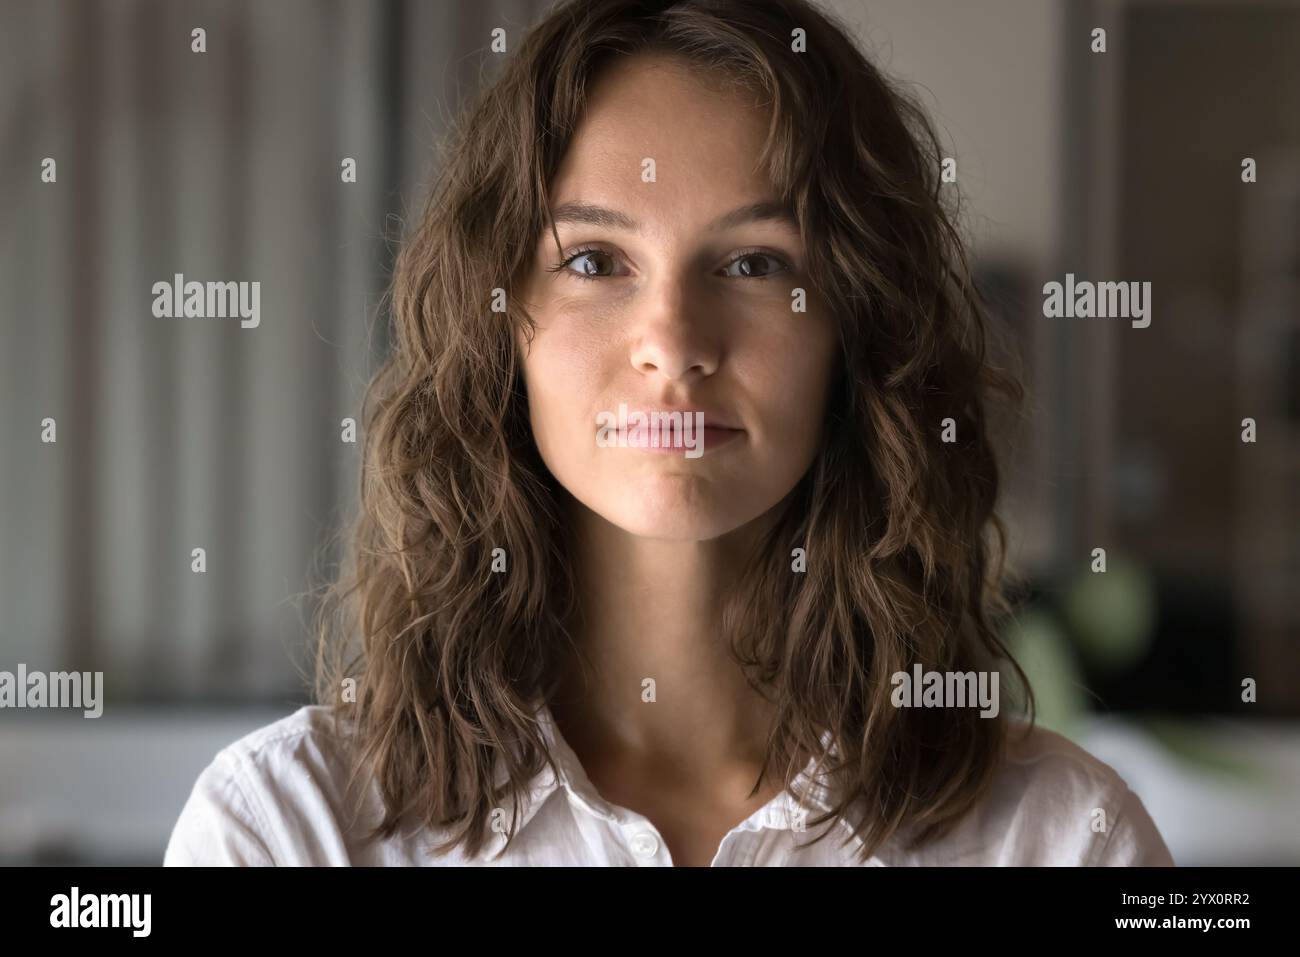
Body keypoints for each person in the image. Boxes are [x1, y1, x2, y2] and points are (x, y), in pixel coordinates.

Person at [164, 0, 1173, 867]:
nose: (675, 343)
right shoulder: (289, 831)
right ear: (499, 318)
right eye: (596, 261)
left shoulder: (1062, 840)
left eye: (753, 264)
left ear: (852, 325)